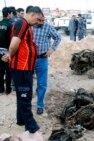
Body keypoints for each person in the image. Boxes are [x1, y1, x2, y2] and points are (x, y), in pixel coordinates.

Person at [8, 6, 44, 134]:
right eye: (38, 19)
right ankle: (31, 126)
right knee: (25, 96)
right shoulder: (22, 23)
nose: (38, 23)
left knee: (21, 95)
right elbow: (13, 45)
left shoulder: (26, 25)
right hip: (21, 67)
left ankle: (21, 120)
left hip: (24, 67)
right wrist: (10, 56)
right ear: (32, 14)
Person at [33, 15, 61, 115]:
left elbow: (58, 38)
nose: (41, 22)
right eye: (39, 20)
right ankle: (26, 102)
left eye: (43, 20)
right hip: (29, 60)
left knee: (42, 83)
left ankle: (40, 105)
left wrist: (51, 50)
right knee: (27, 81)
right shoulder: (28, 26)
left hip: (42, 59)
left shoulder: (48, 26)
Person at [0, 7, 13, 94]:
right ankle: (8, 89)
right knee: (8, 71)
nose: (12, 15)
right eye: (11, 13)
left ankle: (1, 89)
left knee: (0, 71)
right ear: (8, 14)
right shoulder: (11, 25)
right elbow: (13, 39)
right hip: (7, 51)